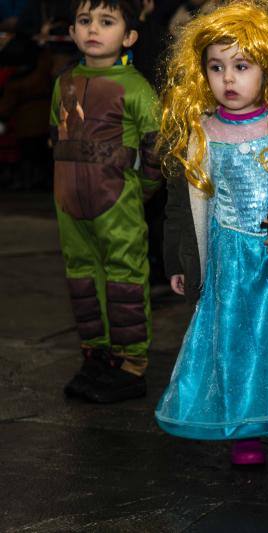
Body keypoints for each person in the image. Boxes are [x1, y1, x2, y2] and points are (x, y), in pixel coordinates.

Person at [155, 0, 268, 465]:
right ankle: (244, 428)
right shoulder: (200, 132)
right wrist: (178, 260)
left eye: (241, 66)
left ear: (267, 68)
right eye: (216, 67)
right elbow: (180, 205)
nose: (228, 79)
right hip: (230, 264)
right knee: (237, 344)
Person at [55, 0, 161, 403]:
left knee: (124, 277)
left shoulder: (136, 88)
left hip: (118, 202)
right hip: (69, 204)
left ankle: (130, 364)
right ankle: (95, 354)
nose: (93, 29)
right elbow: (57, 137)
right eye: (84, 21)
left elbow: (156, 149)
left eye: (106, 21)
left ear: (129, 36)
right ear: (71, 32)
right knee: (81, 275)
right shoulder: (63, 83)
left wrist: (139, 191)